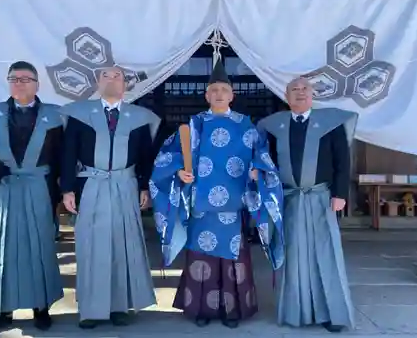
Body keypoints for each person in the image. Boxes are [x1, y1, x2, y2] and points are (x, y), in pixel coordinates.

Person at [149, 60, 285, 329]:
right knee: (201, 256)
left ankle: (233, 309)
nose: (220, 94)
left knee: (233, 257)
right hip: (200, 204)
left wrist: (258, 171)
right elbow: (168, 157)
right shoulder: (193, 125)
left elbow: (263, 157)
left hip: (233, 205)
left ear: (232, 95)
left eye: (224, 89)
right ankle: (201, 308)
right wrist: (179, 172)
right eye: (214, 90)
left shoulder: (247, 127)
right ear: (206, 95)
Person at [60, 65, 161, 329]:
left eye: (118, 76)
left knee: (122, 245)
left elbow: (145, 156)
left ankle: (119, 307)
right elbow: (68, 152)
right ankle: (91, 309)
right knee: (91, 246)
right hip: (90, 185)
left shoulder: (139, 117)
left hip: (125, 185)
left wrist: (144, 186)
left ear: (126, 84)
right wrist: (68, 188)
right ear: (97, 81)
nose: (113, 79)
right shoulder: (80, 113)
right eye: (106, 75)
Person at [258, 77, 358, 333]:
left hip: (321, 198)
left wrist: (340, 194)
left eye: (304, 89)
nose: (300, 93)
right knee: (293, 255)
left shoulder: (329, 125)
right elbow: (265, 161)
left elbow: (342, 161)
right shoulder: (275, 126)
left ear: (313, 94)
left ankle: (330, 313)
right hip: (289, 200)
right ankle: (296, 310)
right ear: (287, 97)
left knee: (324, 255)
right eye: (294, 89)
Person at [0, 61, 64, 335]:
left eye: (26, 78)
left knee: (40, 245)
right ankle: (2, 311)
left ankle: (41, 307)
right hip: (7, 187)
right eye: (14, 78)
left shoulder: (55, 117)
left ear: (37, 84)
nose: (20, 82)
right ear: (8, 82)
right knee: (3, 248)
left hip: (39, 185)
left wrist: (57, 192)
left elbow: (59, 156)